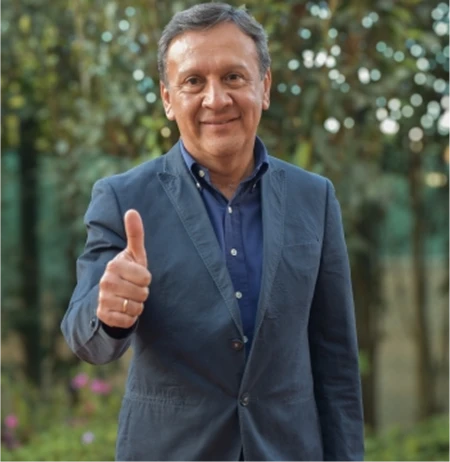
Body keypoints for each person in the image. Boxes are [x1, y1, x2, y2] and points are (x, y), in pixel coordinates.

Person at [61, 3, 364, 461]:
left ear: (264, 87)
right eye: (193, 82)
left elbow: (336, 360)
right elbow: (85, 337)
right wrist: (110, 313)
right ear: (168, 99)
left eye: (233, 77)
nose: (215, 99)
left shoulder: (314, 198)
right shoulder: (123, 199)